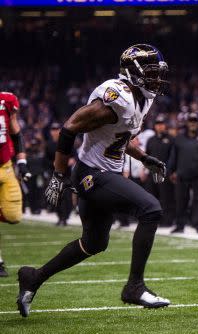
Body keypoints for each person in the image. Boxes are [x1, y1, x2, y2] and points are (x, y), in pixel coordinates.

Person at [18, 44, 171, 317]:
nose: (156, 78)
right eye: (150, 72)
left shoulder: (142, 97)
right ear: (132, 72)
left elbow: (119, 136)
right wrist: (58, 176)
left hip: (105, 173)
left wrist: (144, 157)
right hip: (92, 175)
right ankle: (134, 287)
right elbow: (69, 128)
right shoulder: (117, 96)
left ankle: (33, 277)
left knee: (94, 243)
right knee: (151, 209)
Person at [0, 92, 31, 277]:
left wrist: (22, 162)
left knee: (14, 215)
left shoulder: (6, 100)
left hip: (5, 166)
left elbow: (16, 131)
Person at [145, 114, 175, 227]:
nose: (160, 126)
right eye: (158, 124)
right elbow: (146, 156)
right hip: (152, 172)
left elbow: (173, 157)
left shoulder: (171, 139)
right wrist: (145, 170)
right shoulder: (151, 140)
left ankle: (167, 221)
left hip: (165, 173)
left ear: (165, 125)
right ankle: (153, 220)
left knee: (166, 197)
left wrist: (170, 171)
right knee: (151, 197)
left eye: (162, 124)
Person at [45, 122, 75, 226]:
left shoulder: (66, 142)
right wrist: (52, 164)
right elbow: (45, 160)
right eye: (53, 129)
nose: (55, 131)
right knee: (57, 196)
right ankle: (60, 217)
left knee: (66, 196)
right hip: (54, 174)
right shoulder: (49, 145)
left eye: (57, 129)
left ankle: (65, 217)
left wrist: (71, 160)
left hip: (67, 174)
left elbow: (75, 155)